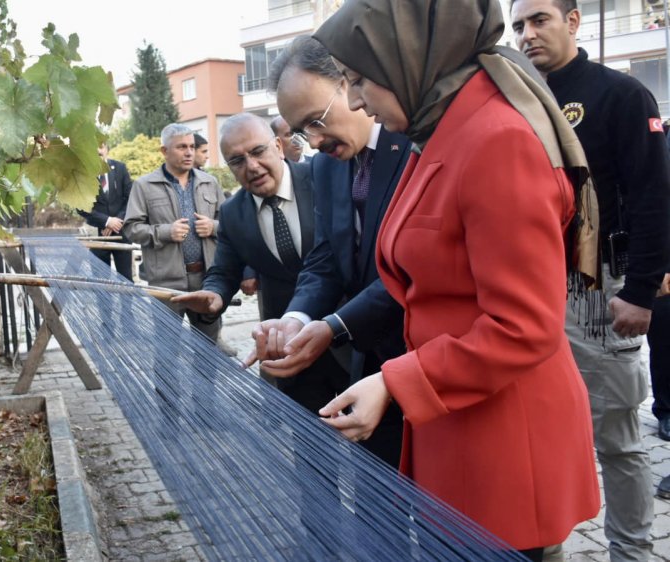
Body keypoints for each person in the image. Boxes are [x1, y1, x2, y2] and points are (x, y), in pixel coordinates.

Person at [313, 1, 600, 558]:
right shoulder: (443, 127)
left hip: (505, 447)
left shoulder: (496, 139)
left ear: (411, 58)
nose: (353, 101)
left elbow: (524, 327)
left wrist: (396, 382)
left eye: (359, 81)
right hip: (465, 428)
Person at [512, 1, 670, 559]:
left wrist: (641, 290)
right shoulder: (517, 100)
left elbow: (654, 195)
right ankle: (547, 544)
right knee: (544, 431)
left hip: (600, 287)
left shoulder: (621, 95)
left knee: (618, 437)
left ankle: (630, 551)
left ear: (573, 21)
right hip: (529, 288)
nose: (527, 34)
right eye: (518, 26)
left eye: (539, 20)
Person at [245, 34, 411, 467]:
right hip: (367, 370)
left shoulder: (413, 146)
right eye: (300, 131)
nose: (314, 140)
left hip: (423, 361)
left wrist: (334, 326)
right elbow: (326, 259)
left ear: (348, 83)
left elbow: (408, 268)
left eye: (316, 120)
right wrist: (295, 319)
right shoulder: (324, 167)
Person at [171, 113, 348, 411]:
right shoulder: (232, 213)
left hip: (348, 337)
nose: (251, 166)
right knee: (308, 450)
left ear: (278, 146)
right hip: (288, 349)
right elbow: (224, 272)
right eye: (237, 161)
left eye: (257, 151)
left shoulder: (323, 178)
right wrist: (214, 296)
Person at [124, 124, 226, 343]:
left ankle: (204, 380)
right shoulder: (144, 186)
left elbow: (229, 225)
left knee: (208, 349)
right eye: (181, 147)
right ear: (164, 151)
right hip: (166, 283)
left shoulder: (210, 183)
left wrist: (213, 226)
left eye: (191, 146)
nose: (189, 152)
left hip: (206, 279)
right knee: (166, 352)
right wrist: (165, 232)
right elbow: (131, 228)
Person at [78, 142, 134, 280]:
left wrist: (116, 222)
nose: (98, 150)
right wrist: (107, 221)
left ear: (107, 149)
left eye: (101, 146)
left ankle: (126, 303)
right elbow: (80, 206)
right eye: (94, 147)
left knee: (126, 280)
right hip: (97, 234)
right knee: (101, 282)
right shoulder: (83, 174)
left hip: (121, 233)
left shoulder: (120, 168)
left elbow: (131, 198)